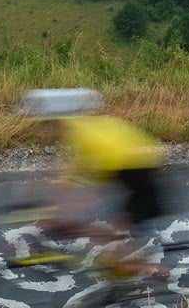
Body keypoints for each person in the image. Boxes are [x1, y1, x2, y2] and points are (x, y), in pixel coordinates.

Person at [16, 88, 170, 279]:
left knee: (115, 246)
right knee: (102, 232)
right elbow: (73, 175)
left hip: (141, 179)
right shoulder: (85, 129)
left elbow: (90, 188)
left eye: (47, 124)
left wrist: (60, 215)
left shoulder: (85, 136)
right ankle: (126, 263)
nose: (44, 129)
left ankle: (156, 271)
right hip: (133, 172)